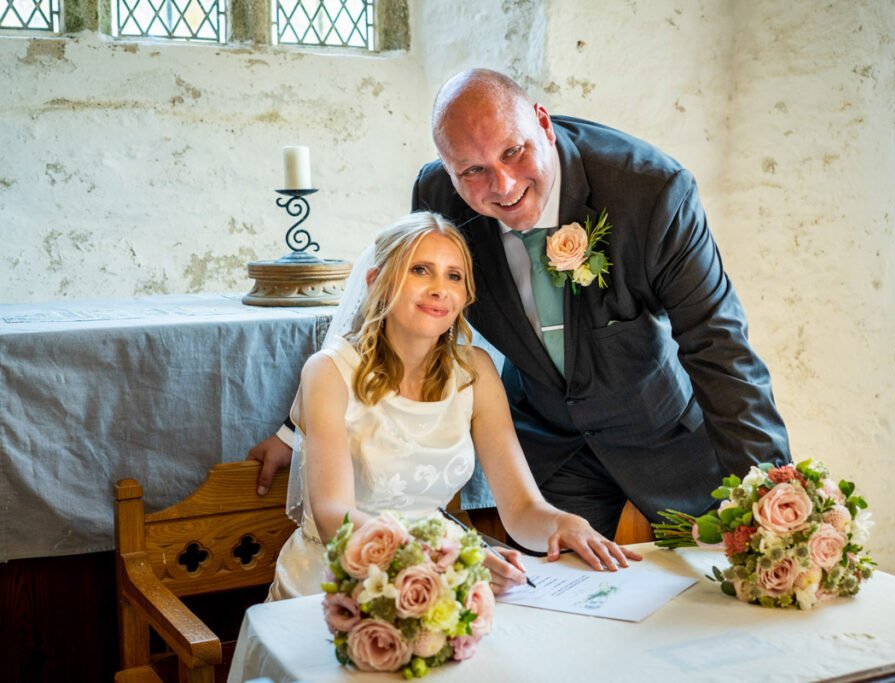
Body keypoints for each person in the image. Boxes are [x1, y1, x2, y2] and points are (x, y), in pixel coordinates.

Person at [251, 68, 791, 542]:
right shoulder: (439, 194)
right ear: (446, 168)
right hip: (549, 448)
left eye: (514, 151)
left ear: (543, 123)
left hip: (660, 436)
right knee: (560, 610)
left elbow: (719, 346)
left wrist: (780, 497)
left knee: (708, 603)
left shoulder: (650, 194)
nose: (503, 186)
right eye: (472, 171)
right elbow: (391, 317)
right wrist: (294, 431)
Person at [267, 211, 640, 601]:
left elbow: (521, 508)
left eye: (454, 276)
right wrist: (448, 559)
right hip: (340, 576)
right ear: (376, 282)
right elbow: (333, 517)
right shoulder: (329, 371)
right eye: (420, 270)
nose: (439, 289)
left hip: (445, 576)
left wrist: (562, 524)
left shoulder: (475, 371)